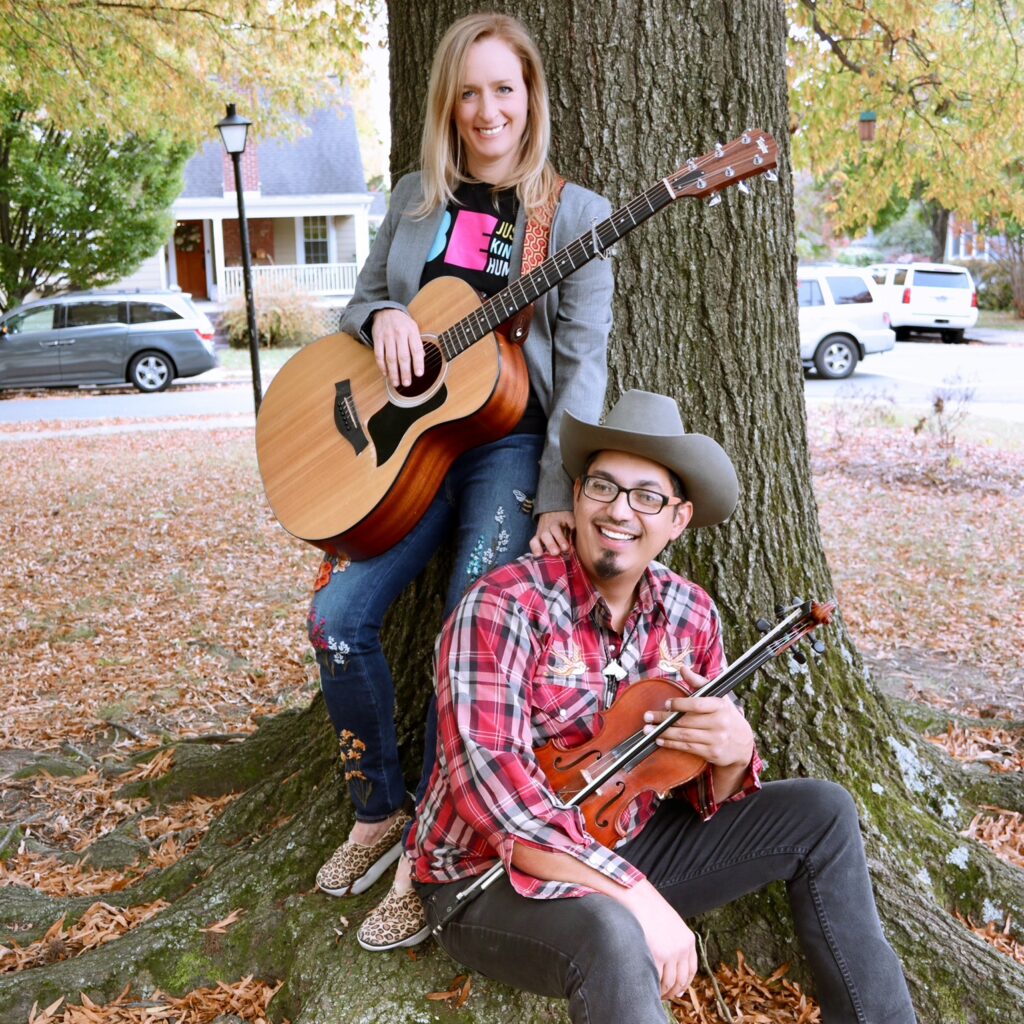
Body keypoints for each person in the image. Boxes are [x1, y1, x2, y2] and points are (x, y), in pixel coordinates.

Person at [407, 390, 918, 1024]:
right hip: (488, 876)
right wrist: (637, 896)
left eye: (647, 497)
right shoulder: (502, 607)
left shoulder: (691, 613)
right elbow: (502, 808)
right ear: (577, 496)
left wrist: (732, 756)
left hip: (624, 842)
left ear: (678, 519)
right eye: (603, 487)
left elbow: (696, 795)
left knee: (824, 811)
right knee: (614, 932)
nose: (619, 510)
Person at [307, 12, 614, 951]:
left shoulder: (574, 217)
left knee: (465, 641)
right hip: (407, 450)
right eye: (470, 92)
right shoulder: (414, 198)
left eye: (504, 90)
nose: (488, 111)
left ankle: (425, 855)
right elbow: (361, 300)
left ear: (531, 98)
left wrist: (560, 492)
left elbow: (585, 368)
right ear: (448, 103)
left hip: (506, 449)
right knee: (337, 620)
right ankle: (378, 811)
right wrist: (386, 319)